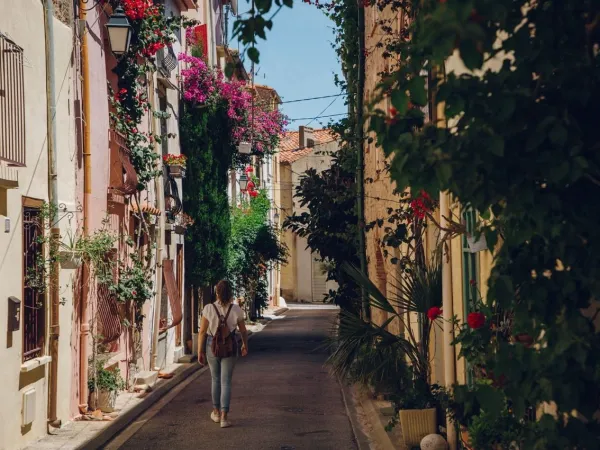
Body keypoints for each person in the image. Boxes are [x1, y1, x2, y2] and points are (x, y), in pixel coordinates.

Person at [198, 280, 248, 428]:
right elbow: (243, 330)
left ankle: (216, 412)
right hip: (230, 346)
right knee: (226, 381)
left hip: (211, 346)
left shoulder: (208, 308)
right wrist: (245, 344)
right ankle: (224, 418)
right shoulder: (236, 309)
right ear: (230, 292)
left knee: (215, 379)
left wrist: (199, 351)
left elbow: (202, 332)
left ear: (217, 292)